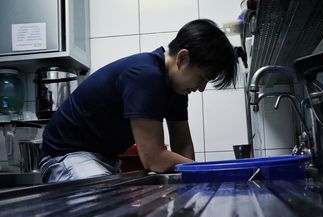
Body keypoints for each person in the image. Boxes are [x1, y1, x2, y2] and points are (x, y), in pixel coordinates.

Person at [39, 19, 237, 183]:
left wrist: (195, 180)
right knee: (107, 208)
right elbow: (154, 159)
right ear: (182, 58)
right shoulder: (145, 76)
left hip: (104, 160)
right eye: (202, 78)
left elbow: (183, 145)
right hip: (65, 157)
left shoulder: (175, 88)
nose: (201, 88)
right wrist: (210, 172)